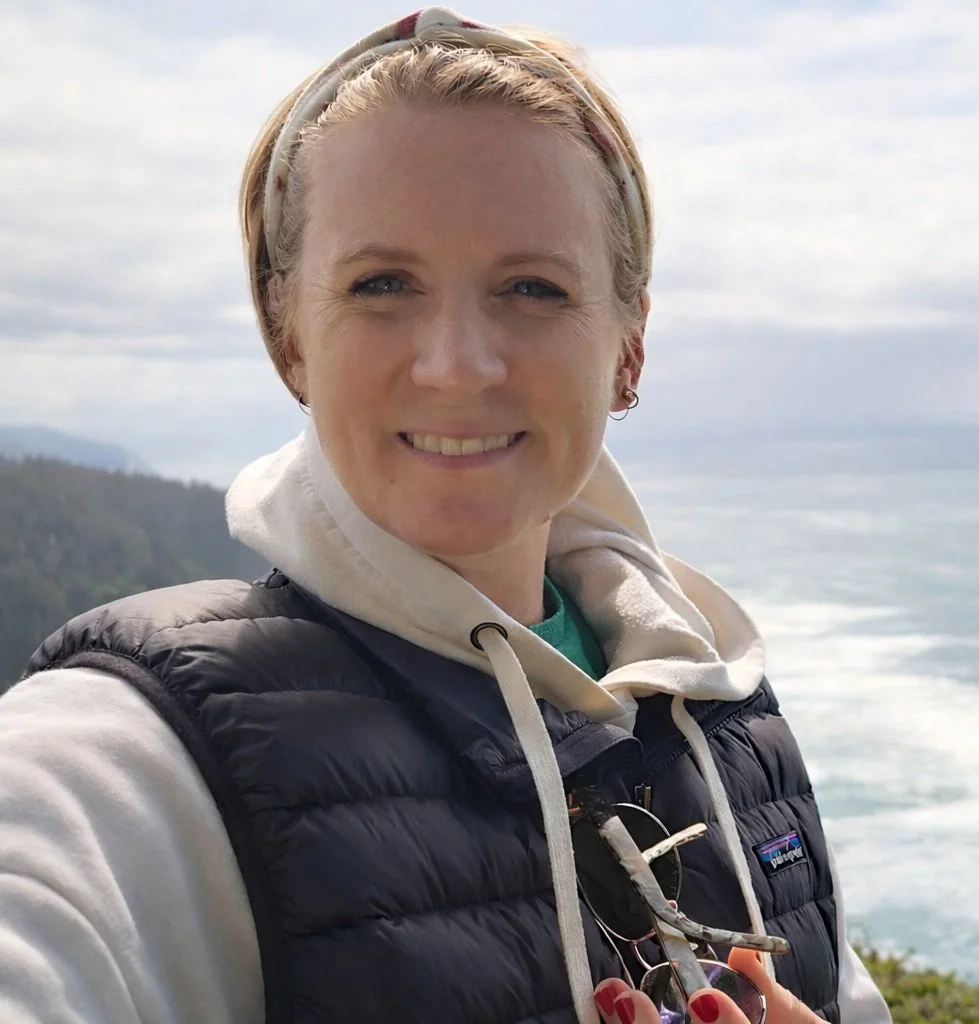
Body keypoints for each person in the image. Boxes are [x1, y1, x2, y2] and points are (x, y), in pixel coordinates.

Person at [0, 8, 891, 1024]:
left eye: (532, 287)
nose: (457, 364)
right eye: (383, 284)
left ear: (627, 346)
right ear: (289, 335)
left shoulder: (724, 719)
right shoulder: (133, 761)